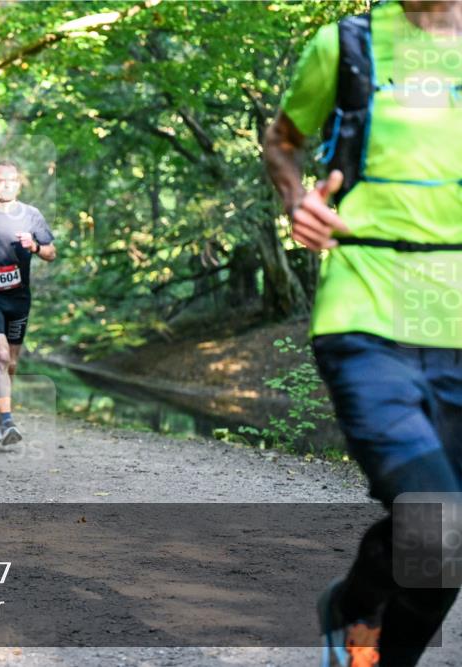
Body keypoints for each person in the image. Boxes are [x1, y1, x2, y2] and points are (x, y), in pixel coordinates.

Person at [263, 2, 461, 665]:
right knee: (437, 519)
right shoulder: (346, 44)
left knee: (444, 543)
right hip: (366, 311)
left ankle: (357, 615)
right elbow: (283, 142)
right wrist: (298, 201)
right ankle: (356, 618)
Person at [0, 160, 56, 446]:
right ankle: (8, 422)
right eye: (0, 180)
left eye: (11, 180)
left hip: (19, 298)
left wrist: (34, 246)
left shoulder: (32, 215)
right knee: (2, 356)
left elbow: (51, 252)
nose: (6, 184)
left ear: (19, 183)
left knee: (13, 362)